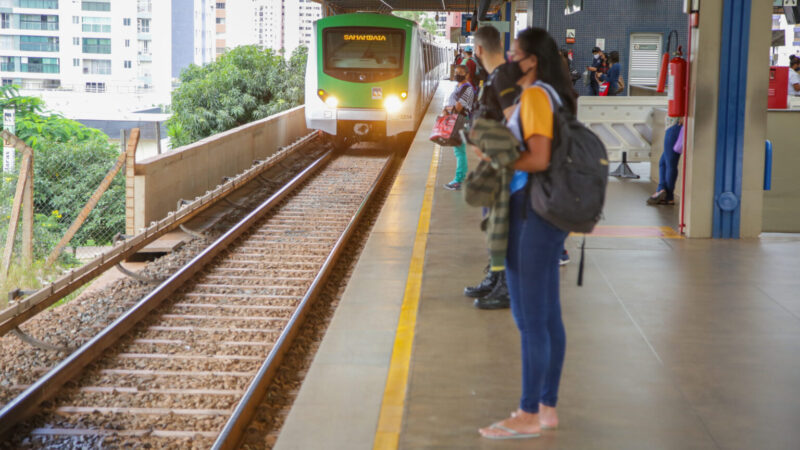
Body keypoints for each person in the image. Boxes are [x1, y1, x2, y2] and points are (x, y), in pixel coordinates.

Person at [475, 27, 576, 440]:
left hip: (530, 212)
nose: (511, 58)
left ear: (532, 60)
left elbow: (537, 157)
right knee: (547, 316)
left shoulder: (535, 97)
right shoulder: (551, 96)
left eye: (516, 53)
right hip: (545, 213)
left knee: (530, 319)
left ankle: (529, 411)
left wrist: (493, 153)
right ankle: (546, 408)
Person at [463, 24, 521, 310]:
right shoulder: (496, 76)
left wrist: (496, 148)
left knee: (502, 225)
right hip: (494, 163)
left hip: (504, 166)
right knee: (492, 223)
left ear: (479, 49)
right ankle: (495, 277)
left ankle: (506, 287)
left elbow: (514, 121)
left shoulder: (503, 77)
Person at [442, 64, 475, 191]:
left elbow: (457, 107)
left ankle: (459, 180)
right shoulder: (458, 86)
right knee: (459, 151)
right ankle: (460, 179)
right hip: (457, 121)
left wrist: (446, 109)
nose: (457, 74)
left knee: (460, 151)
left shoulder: (467, 89)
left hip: (462, 121)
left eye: (461, 72)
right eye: (456, 72)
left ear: (467, 74)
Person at [648, 118, 684, 206]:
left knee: (670, 163)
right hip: (673, 127)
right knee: (663, 163)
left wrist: (681, 119)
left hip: (675, 127)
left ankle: (668, 196)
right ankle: (662, 189)